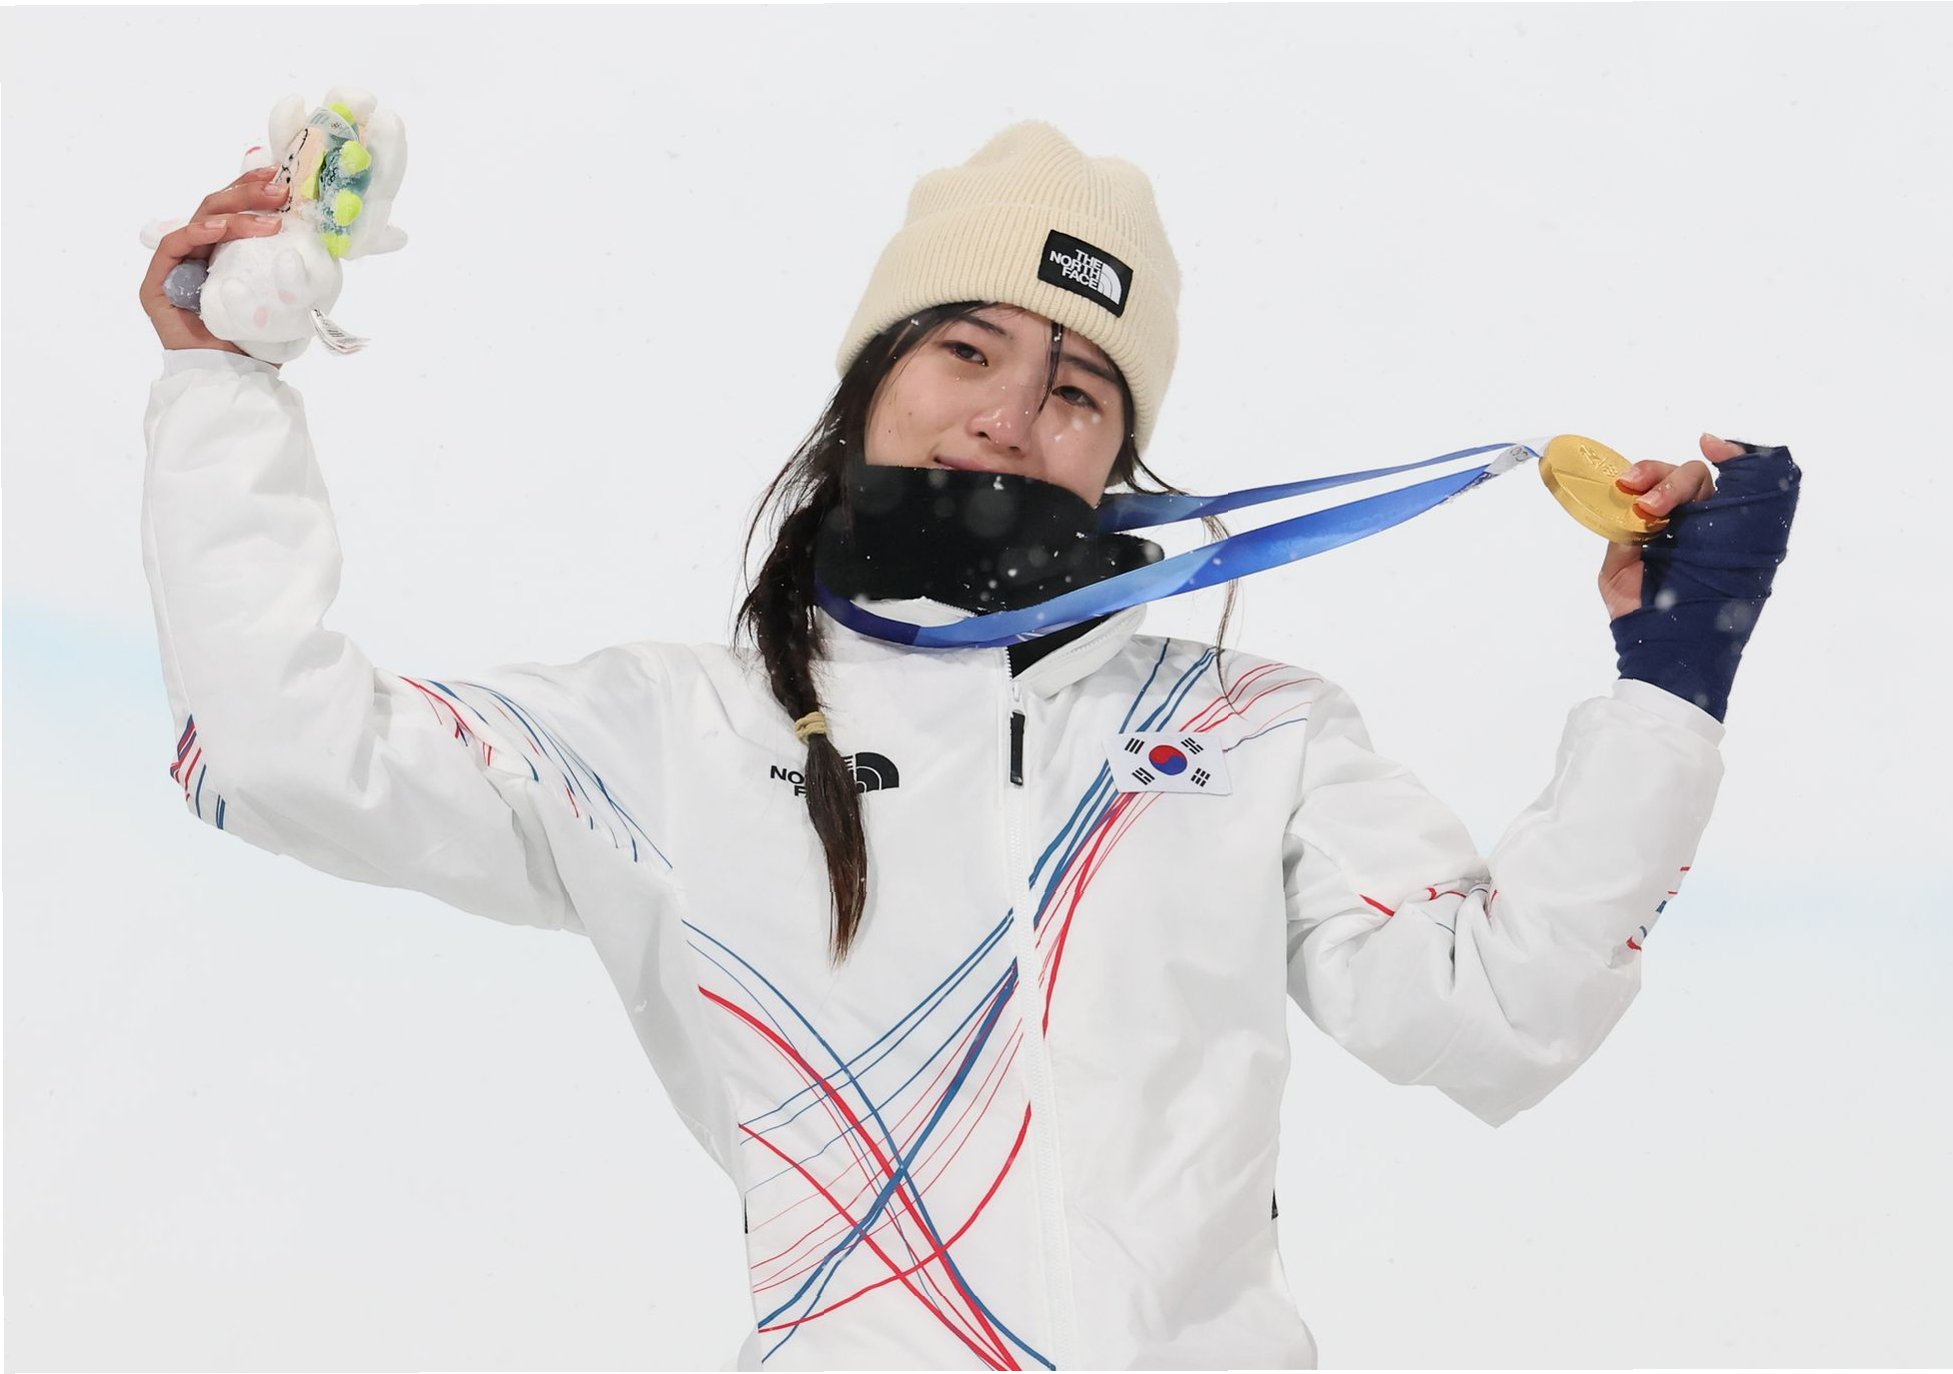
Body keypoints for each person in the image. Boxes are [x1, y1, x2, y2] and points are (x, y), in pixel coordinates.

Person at [137, 120, 1796, 1370]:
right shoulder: (668, 735)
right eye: (966, 348)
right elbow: (278, 750)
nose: (1010, 411)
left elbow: (1496, 1013)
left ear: (1116, 458)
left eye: (1078, 388)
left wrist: (1671, 678)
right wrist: (223, 390)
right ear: (866, 381)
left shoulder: (1242, 731)